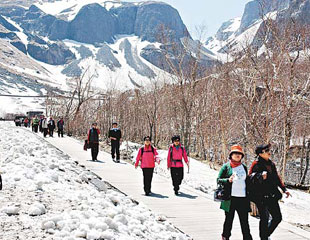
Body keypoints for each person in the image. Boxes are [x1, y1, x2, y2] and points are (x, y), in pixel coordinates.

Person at [249, 144, 291, 240]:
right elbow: (250, 179)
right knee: (264, 218)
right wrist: (260, 176)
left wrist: (284, 189)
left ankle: (265, 235)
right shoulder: (256, 164)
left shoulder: (271, 164)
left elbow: (276, 178)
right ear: (260, 154)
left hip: (272, 194)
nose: (269, 152)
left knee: (277, 217)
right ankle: (264, 237)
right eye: (266, 150)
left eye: (268, 149)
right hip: (260, 196)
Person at [217, 145, 253, 240]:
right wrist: (228, 180)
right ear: (231, 155)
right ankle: (225, 237)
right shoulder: (226, 167)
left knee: (244, 222)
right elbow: (218, 180)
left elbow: (247, 181)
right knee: (229, 220)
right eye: (235, 153)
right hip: (230, 199)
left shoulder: (244, 167)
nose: (237, 155)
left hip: (243, 199)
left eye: (239, 154)